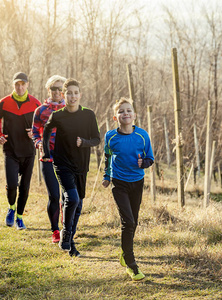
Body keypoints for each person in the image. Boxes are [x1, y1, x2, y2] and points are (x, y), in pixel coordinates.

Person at [42, 78, 100, 257]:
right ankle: (66, 234)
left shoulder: (88, 115)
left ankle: (70, 242)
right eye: (69, 93)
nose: (72, 96)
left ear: (80, 95)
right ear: (63, 95)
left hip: (81, 166)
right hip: (62, 164)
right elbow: (46, 132)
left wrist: (84, 143)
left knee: (78, 204)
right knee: (72, 199)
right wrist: (46, 153)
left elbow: (97, 139)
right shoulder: (58, 116)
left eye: (76, 93)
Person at [102, 97, 154, 281]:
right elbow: (108, 158)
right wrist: (106, 177)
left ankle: (124, 252)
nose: (125, 113)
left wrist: (144, 163)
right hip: (119, 183)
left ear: (134, 115)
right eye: (121, 111)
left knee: (134, 222)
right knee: (128, 222)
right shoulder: (110, 137)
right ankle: (132, 265)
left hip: (137, 182)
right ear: (115, 117)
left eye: (129, 110)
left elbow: (150, 158)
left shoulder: (142, 135)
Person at [0, 72, 41, 230]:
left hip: (28, 151)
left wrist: (35, 134)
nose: (20, 87)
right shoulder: (4, 102)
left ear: (27, 84)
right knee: (12, 185)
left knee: (25, 187)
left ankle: (20, 217)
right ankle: (11, 208)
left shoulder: (35, 104)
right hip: (11, 150)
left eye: (23, 84)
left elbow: (43, 124)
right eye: (17, 84)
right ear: (13, 85)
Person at [32, 75, 66, 244]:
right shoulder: (41, 110)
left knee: (68, 196)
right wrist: (38, 143)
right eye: (54, 89)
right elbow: (35, 131)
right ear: (49, 90)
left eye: (60, 89)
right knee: (54, 195)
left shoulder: (71, 109)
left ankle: (67, 226)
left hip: (67, 158)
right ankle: (55, 231)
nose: (57, 92)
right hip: (48, 157)